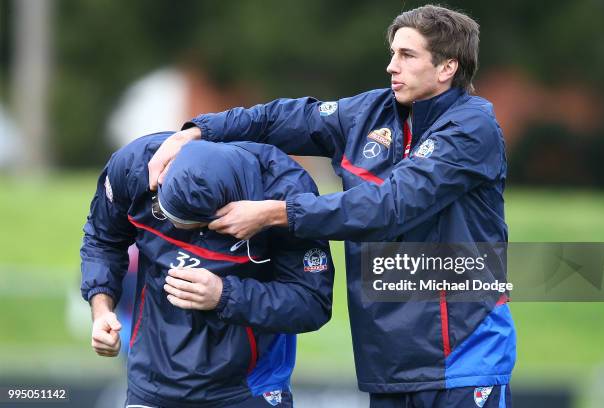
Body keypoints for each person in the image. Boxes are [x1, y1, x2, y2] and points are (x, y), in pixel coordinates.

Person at [148, 5, 516, 408]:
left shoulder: (473, 127)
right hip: (390, 366)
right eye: (392, 53)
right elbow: (282, 119)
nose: (392, 66)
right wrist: (199, 131)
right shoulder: (369, 113)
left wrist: (277, 213)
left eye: (407, 56)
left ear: (447, 68)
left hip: (465, 360)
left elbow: (388, 207)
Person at [81, 132, 334, 408]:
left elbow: (312, 303)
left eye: (186, 226)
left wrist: (224, 295)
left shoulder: (284, 194)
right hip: (151, 384)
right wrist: (102, 309)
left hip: (248, 387)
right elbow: (102, 239)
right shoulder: (135, 167)